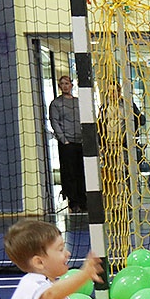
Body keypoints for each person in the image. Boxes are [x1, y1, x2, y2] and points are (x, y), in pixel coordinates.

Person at [48, 75, 88, 213]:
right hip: (67, 143)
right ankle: (73, 202)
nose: (65, 86)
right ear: (59, 86)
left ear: (72, 85)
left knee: (81, 173)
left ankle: (84, 201)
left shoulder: (78, 102)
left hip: (80, 142)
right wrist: (63, 140)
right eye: (62, 83)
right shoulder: (56, 104)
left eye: (67, 83)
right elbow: (55, 122)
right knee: (70, 173)